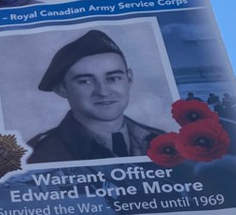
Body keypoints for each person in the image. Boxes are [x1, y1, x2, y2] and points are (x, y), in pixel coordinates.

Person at [26, 29, 162, 164]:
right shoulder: (37, 155)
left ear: (129, 78)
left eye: (113, 78)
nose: (103, 92)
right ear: (62, 89)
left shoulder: (162, 140)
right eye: (85, 81)